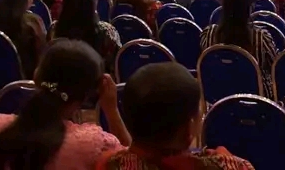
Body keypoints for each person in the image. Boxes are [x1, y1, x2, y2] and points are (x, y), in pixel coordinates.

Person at [0, 39, 130, 169]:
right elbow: (133, 163)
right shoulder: (94, 146)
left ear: (36, 76)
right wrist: (111, 110)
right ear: (88, 95)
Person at [96, 62, 254, 170]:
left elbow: (132, 152)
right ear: (189, 128)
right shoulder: (230, 166)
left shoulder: (109, 164)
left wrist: (111, 111)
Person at [199, 0, 277, 99]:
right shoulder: (260, 37)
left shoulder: (208, 34)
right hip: (255, 98)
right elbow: (274, 68)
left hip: (217, 96)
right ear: (249, 9)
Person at [52, 0, 122, 73]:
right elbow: (117, 66)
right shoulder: (107, 32)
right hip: (95, 81)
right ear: (93, 1)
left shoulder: (54, 29)